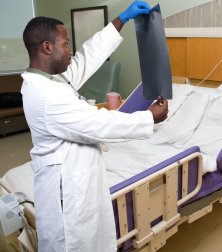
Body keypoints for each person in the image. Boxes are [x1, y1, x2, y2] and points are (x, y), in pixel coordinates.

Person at [21, 1, 168, 251]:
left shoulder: (53, 80)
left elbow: (88, 56)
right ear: (47, 47)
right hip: (67, 200)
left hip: (75, 184)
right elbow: (99, 123)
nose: (70, 50)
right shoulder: (45, 96)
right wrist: (149, 118)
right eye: (65, 44)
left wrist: (122, 19)